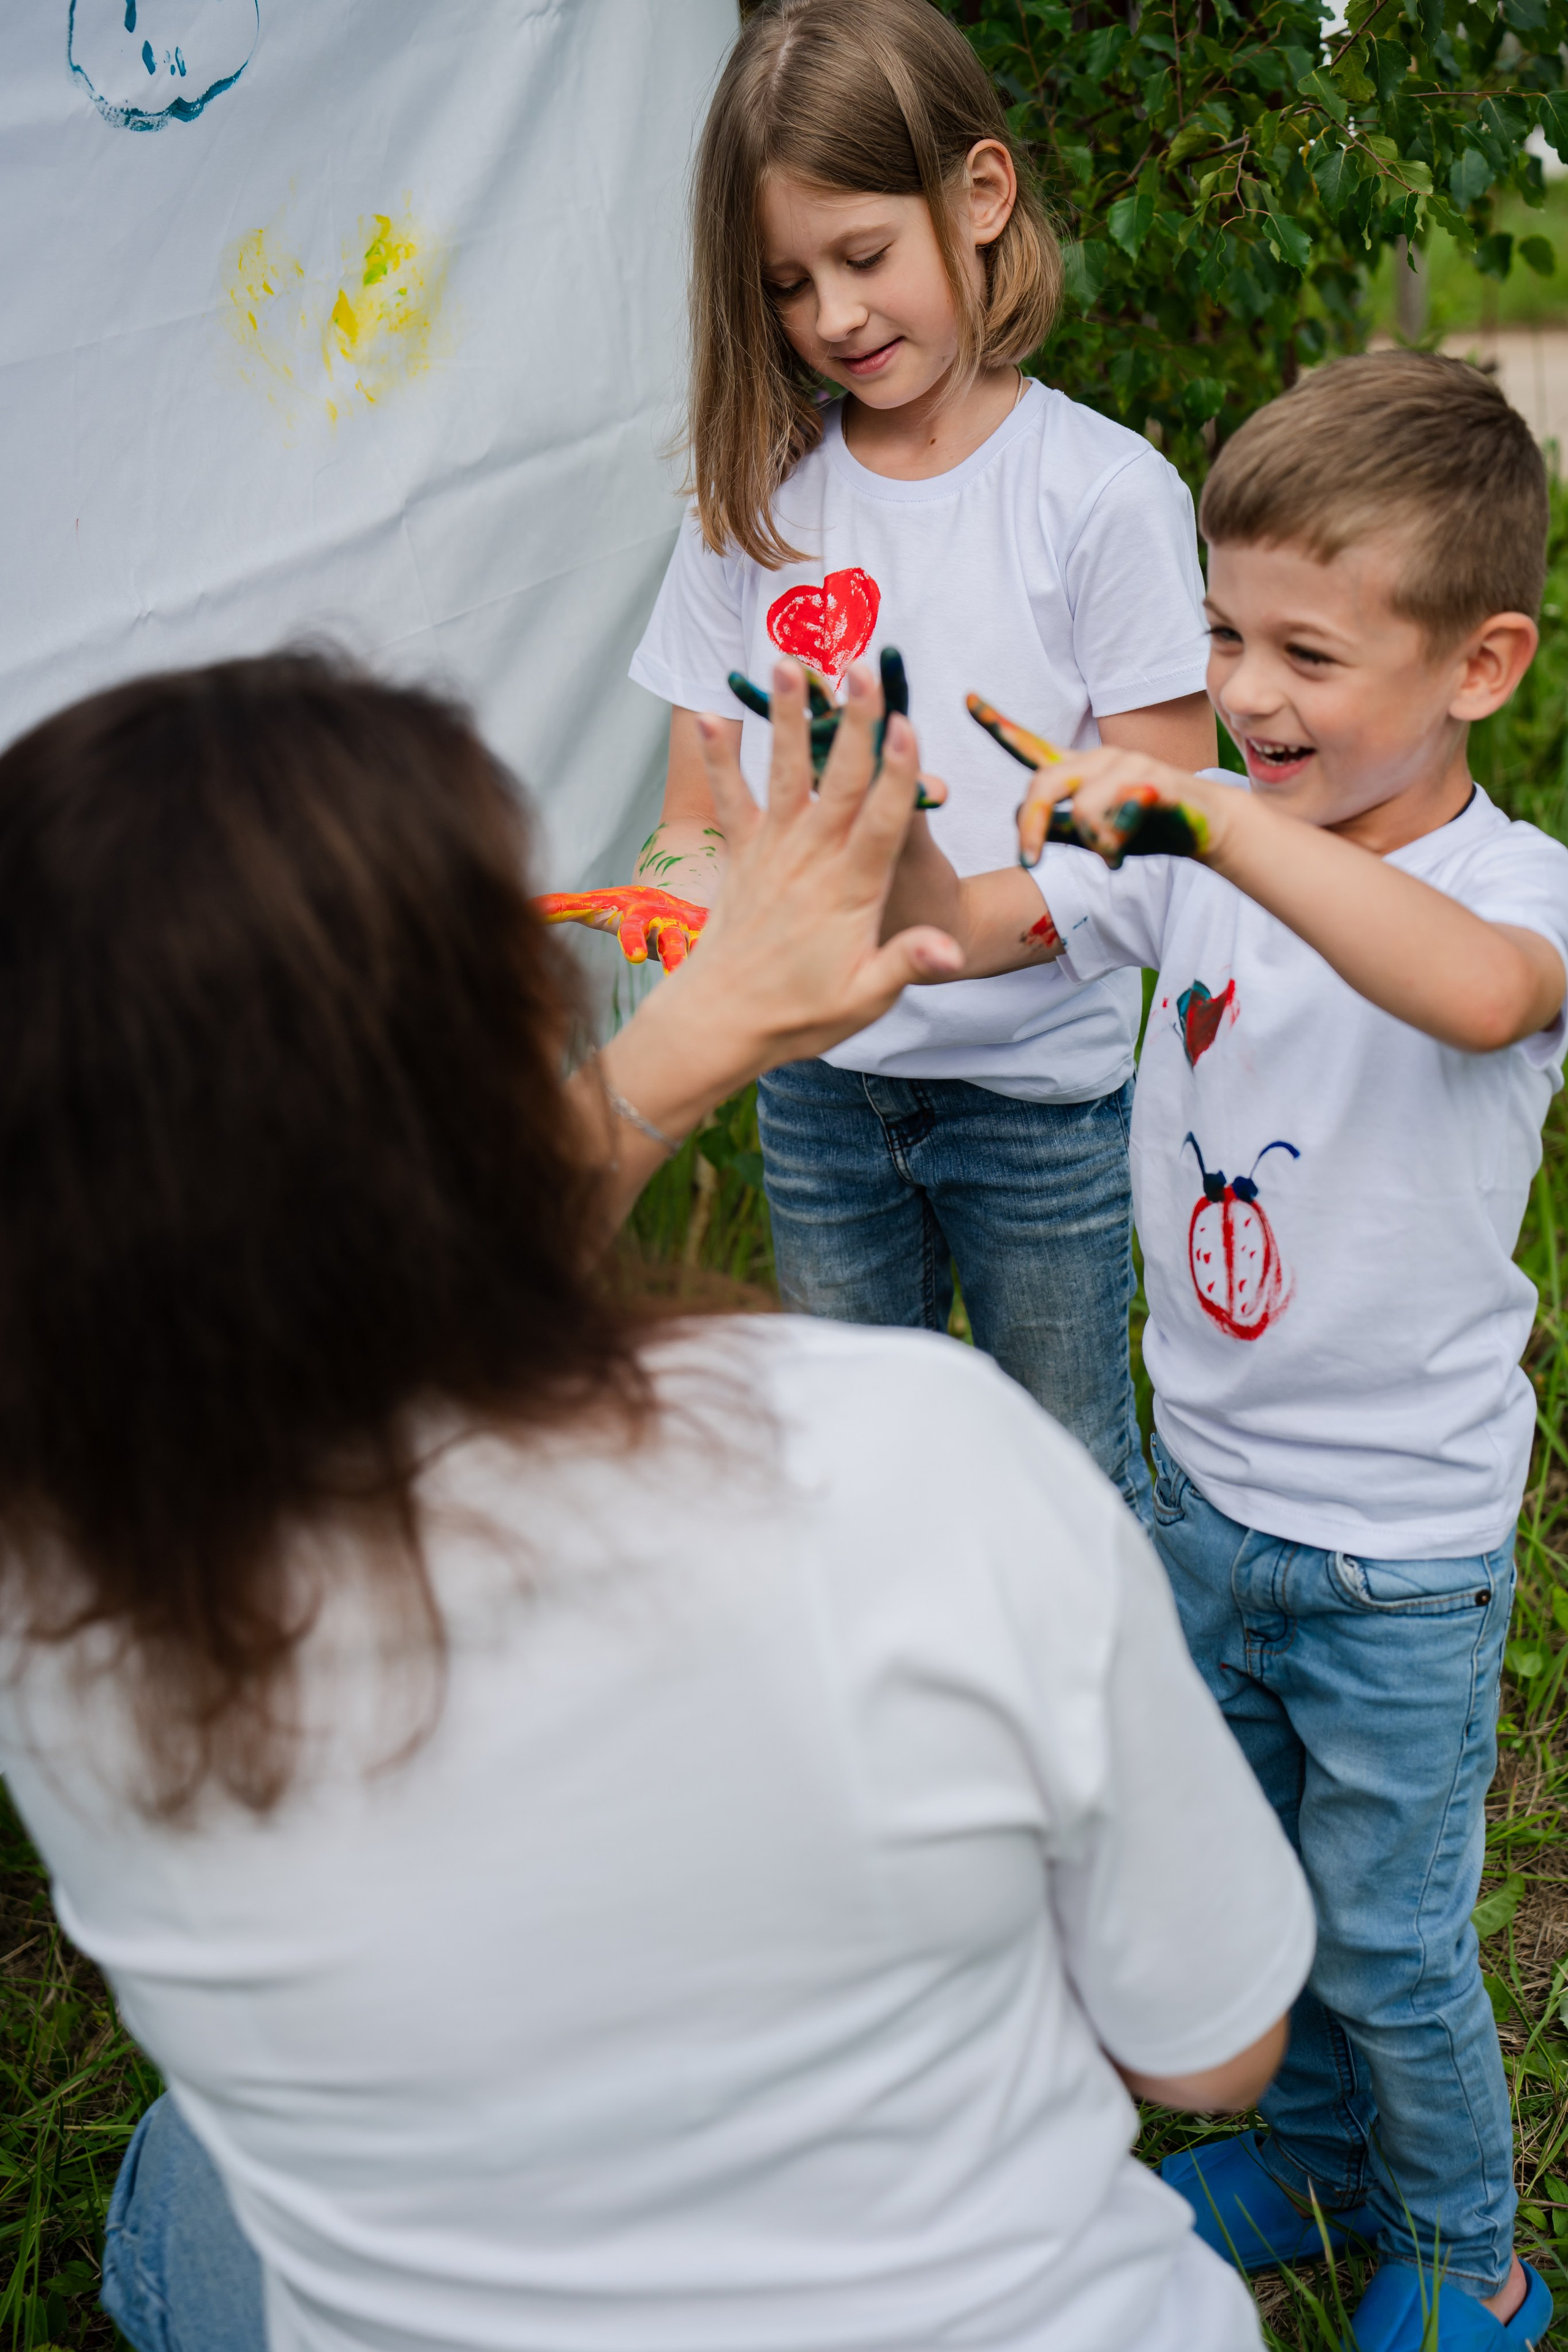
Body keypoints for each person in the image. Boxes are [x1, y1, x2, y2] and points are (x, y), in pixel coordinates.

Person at [0, 650, 1311, 2352]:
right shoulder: (904, 1457)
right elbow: (1212, 2056)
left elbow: (309, 1303)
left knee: (196, 2169)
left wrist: (671, 1060)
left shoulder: (60, 1576)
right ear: (504, 1045)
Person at [859, 350, 1568, 2349]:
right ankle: (1326, 2154)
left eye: (1307, 654)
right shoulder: (1217, 841)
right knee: (1259, 1879)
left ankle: (1467, 2249)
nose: (1245, 695)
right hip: (1210, 1501)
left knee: (1391, 1928)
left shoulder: (1508, 892)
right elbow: (1001, 920)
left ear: (1481, 665)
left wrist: (1199, 823)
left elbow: (1476, 990)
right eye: (1221, 638)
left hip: (1396, 1558)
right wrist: (891, 848)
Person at [592, 0, 1218, 1510]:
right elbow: (700, 799)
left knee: (1066, 1482)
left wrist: (939, 926)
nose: (831, 318)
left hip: (1037, 1103)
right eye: (787, 283)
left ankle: (1094, 1750)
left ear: (981, 197)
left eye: (862, 258)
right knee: (849, 1488)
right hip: (819, 1095)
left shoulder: (1101, 496)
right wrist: (678, 907)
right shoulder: (755, 492)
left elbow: (1159, 830)